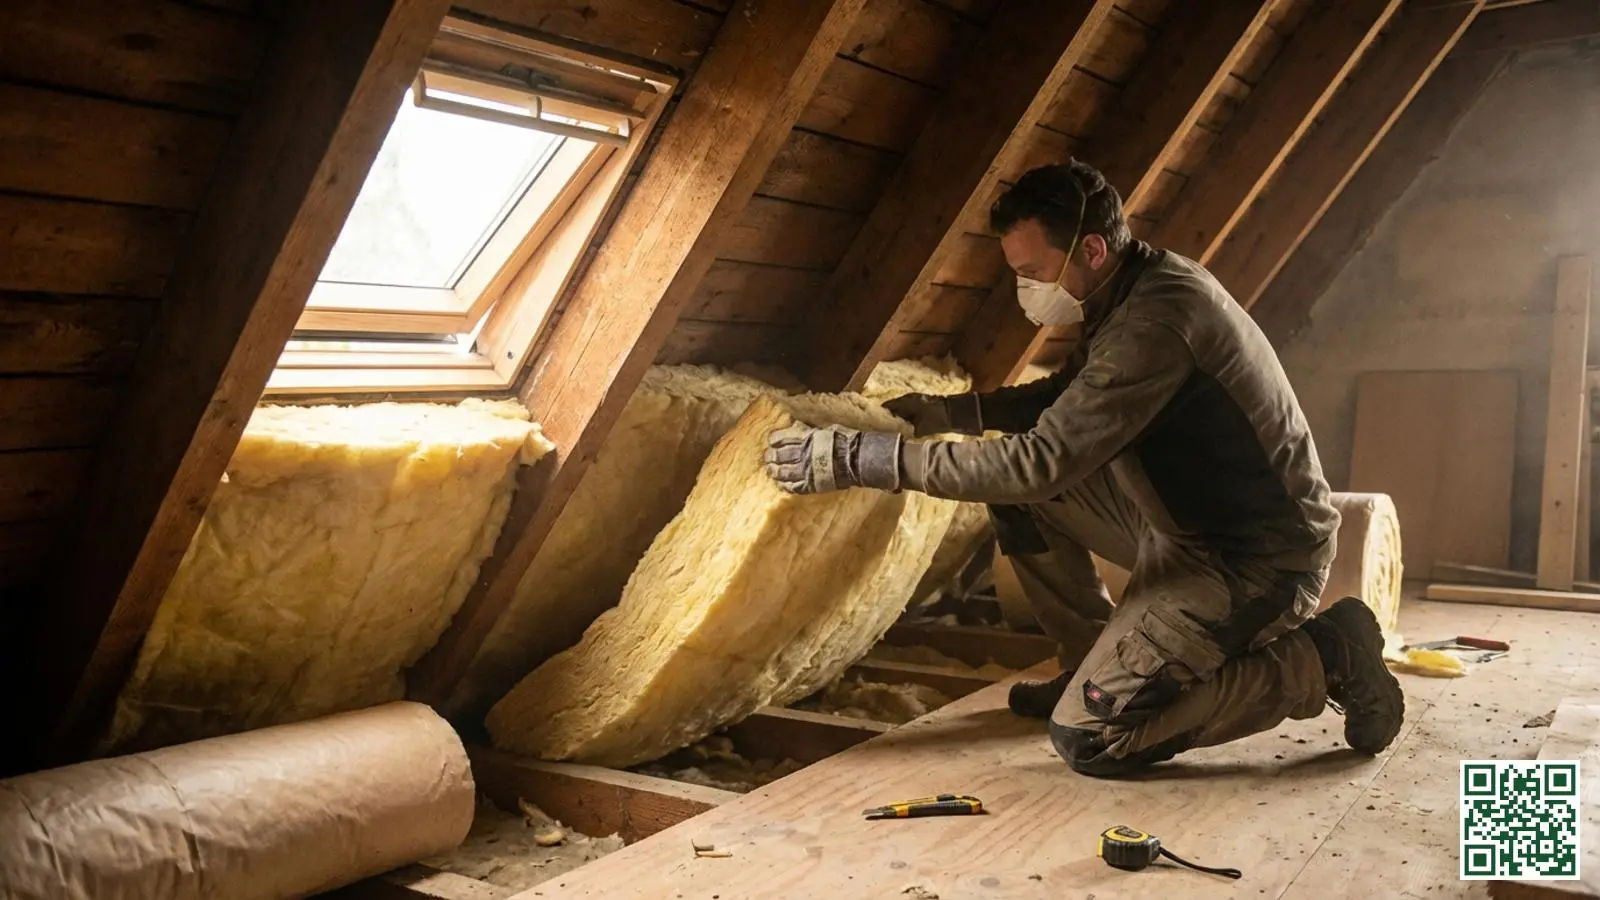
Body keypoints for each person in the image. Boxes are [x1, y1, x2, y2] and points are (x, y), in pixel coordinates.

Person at [764, 159, 1404, 777]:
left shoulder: (1156, 320)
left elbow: (1041, 462)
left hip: (1254, 562)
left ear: (1092, 249)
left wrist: (862, 457)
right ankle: (1088, 658)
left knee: (1093, 736)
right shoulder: (1130, 288)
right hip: (1180, 527)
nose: (1026, 290)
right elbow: (1061, 399)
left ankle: (1326, 655)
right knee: (1017, 495)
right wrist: (948, 412)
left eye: (1034, 272)